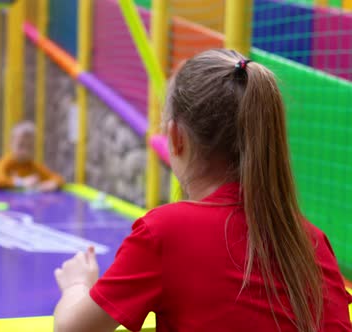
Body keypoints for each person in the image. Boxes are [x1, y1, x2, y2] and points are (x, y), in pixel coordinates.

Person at [53, 49, 352, 332]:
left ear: (176, 136)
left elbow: (73, 327)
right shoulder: (311, 242)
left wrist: (77, 285)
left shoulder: (164, 232)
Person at [0, 121, 64, 192]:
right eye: (21, 145)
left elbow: (58, 178)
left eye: (29, 147)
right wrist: (21, 182)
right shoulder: (6, 162)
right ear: (11, 143)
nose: (25, 151)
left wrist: (51, 184)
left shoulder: (33, 166)